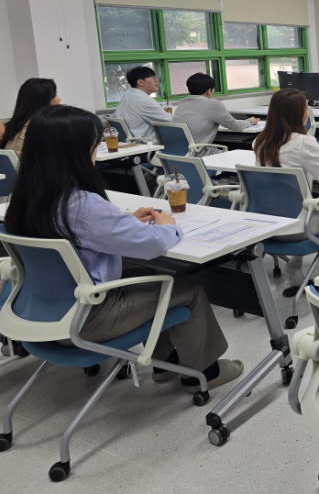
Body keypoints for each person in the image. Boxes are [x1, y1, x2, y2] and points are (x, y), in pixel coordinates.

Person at [4, 105, 244, 392]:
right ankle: (204, 372)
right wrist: (168, 225)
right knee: (189, 290)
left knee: (149, 273)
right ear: (76, 151)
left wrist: (122, 222)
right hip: (87, 318)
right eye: (94, 145)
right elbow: (152, 243)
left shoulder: (26, 196)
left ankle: (165, 363)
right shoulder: (82, 203)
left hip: (36, 310)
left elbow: (75, 231)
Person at [253, 89, 319, 296]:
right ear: (300, 113)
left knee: (300, 202)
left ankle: (294, 264)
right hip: (297, 228)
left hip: (268, 226)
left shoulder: (260, 141)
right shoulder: (303, 142)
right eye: (305, 108)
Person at [173, 73, 258, 146]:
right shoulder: (213, 104)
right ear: (209, 91)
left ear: (189, 91)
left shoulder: (182, 103)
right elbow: (236, 126)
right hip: (199, 153)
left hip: (179, 153)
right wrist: (251, 121)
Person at [0, 78, 61, 155]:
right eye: (55, 94)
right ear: (42, 99)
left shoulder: (17, 125)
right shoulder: (41, 126)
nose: (59, 99)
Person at [114, 65, 171, 140]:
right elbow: (170, 121)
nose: (156, 80)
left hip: (127, 142)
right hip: (145, 145)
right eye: (153, 78)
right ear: (140, 82)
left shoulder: (127, 94)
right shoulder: (144, 100)